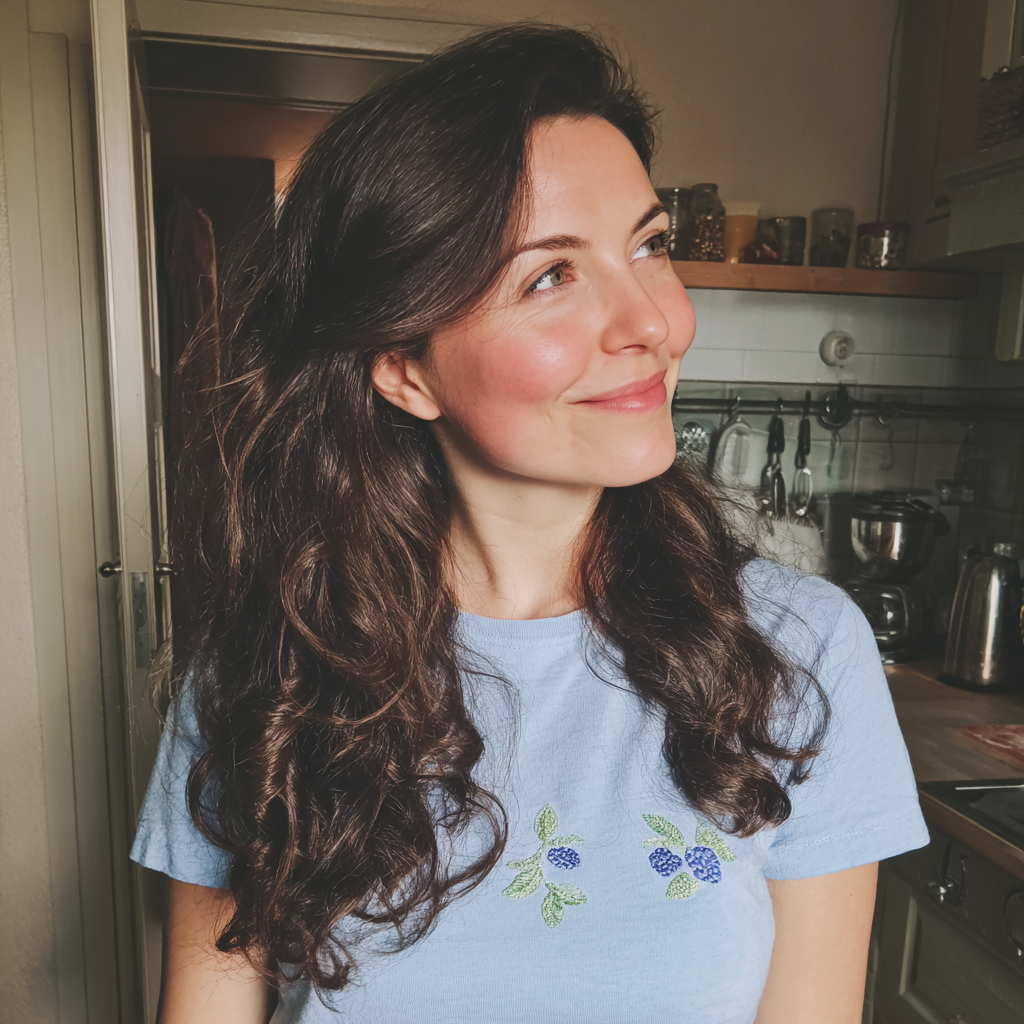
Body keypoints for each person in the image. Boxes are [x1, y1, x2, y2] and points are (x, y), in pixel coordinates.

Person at [133, 24, 928, 1024]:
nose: (650, 320)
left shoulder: (799, 650)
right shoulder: (266, 670)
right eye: (551, 275)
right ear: (404, 366)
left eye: (647, 246)